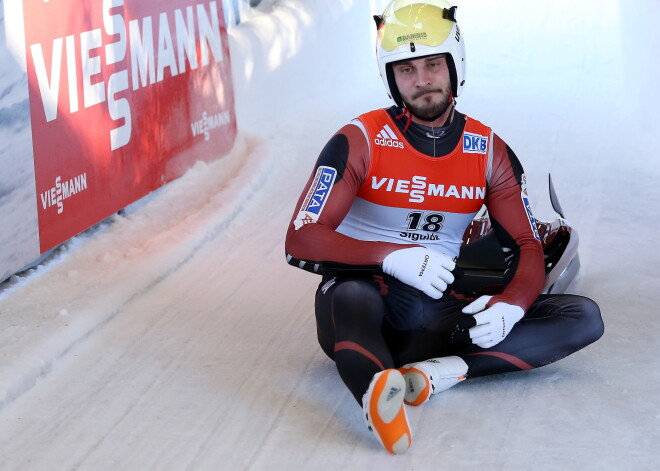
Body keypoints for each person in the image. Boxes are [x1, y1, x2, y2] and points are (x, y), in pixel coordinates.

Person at [284, 0, 603, 455]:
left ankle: (436, 373)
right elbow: (301, 236)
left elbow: (528, 246)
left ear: (456, 66)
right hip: (366, 304)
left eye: (433, 64)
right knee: (351, 294)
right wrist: (390, 256)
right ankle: (377, 396)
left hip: (438, 310)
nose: (422, 80)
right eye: (406, 69)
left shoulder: (489, 150)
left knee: (582, 316)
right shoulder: (358, 140)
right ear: (389, 77)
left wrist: (512, 305)